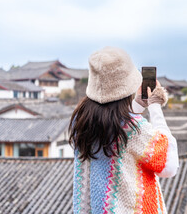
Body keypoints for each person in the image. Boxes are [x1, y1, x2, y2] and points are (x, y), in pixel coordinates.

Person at [69, 47, 179, 214]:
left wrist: (138, 105)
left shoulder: (82, 121)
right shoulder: (134, 130)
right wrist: (155, 106)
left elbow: (115, 127)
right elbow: (169, 165)